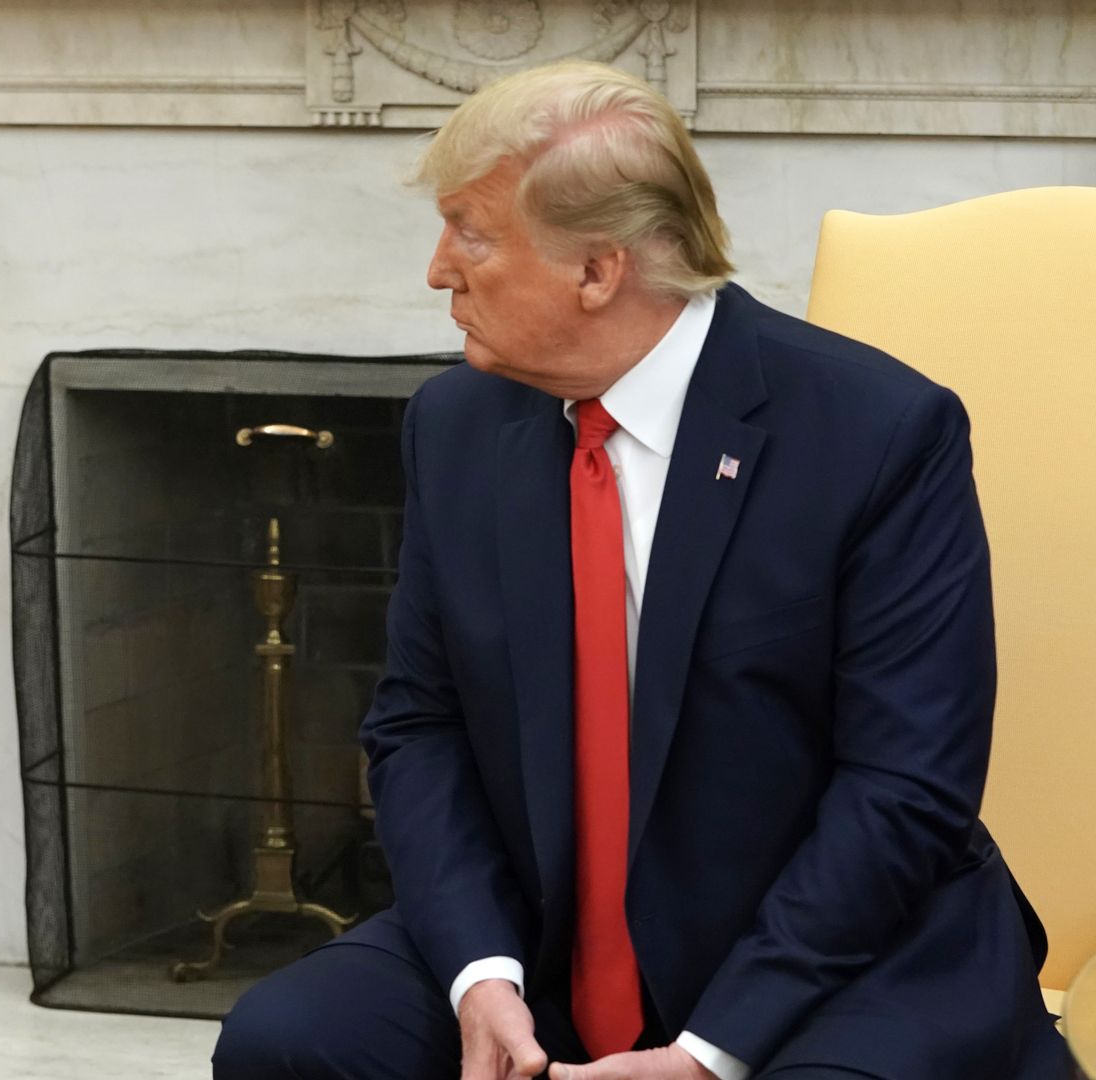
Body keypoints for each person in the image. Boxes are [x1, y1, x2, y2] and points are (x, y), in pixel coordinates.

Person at [212, 61, 1068, 1080]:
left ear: (597, 271)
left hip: (839, 956)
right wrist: (482, 975)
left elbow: (904, 789)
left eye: (470, 235)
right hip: (545, 939)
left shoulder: (878, 433)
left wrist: (708, 1052)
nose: (439, 271)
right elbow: (418, 725)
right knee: (286, 1044)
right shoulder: (456, 426)